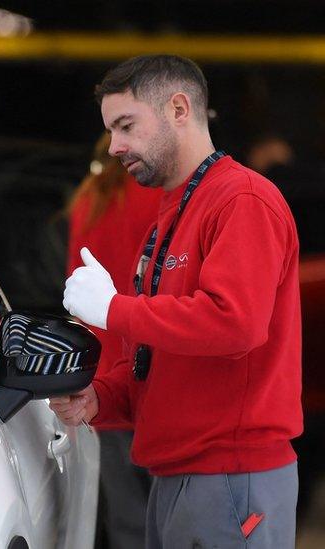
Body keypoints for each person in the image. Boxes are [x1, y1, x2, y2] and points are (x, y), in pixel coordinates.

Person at [53, 54, 302, 548]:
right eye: (110, 129)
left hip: (229, 477)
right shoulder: (174, 210)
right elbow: (159, 355)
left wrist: (113, 310)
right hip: (179, 475)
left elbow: (235, 324)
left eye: (126, 126)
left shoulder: (242, 201)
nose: (116, 146)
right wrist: (100, 398)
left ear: (180, 109)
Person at [66, 132, 161, 549]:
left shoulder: (86, 202)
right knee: (171, 517)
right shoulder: (161, 199)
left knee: (126, 522)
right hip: (154, 369)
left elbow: (75, 293)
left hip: (101, 381)